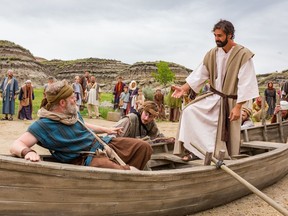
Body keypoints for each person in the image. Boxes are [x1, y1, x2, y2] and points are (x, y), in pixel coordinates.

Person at [10, 80, 152, 170]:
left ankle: (127, 185)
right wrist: (28, 152)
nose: (75, 99)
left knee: (143, 147)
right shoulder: (43, 125)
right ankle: (128, 179)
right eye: (72, 97)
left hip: (103, 143)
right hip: (85, 158)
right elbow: (16, 144)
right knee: (126, 172)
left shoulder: (71, 114)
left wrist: (107, 129)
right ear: (62, 103)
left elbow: (84, 125)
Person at [172, 20, 259, 161]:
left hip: (230, 102)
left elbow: (246, 83)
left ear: (230, 35)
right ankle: (194, 150)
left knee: (221, 131)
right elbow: (200, 74)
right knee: (189, 112)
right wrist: (184, 88)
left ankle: (218, 154)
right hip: (214, 97)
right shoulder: (212, 53)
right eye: (215, 35)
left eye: (220, 36)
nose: (216, 39)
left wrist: (238, 107)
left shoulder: (243, 55)